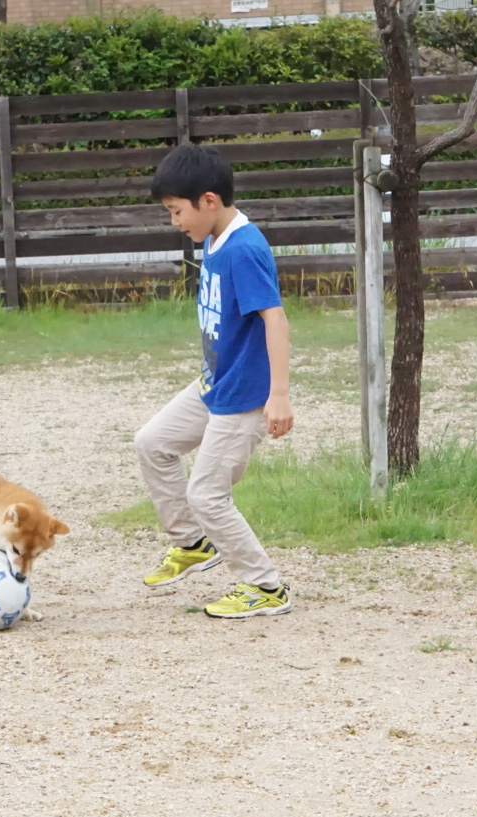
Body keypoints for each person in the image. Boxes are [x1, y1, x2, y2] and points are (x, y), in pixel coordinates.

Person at [134, 143, 294, 619]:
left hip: (242, 399)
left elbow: (276, 319)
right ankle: (194, 543)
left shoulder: (243, 250)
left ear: (208, 201)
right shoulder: (213, 239)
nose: (174, 222)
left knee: (207, 493)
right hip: (213, 385)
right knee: (152, 443)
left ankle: (265, 587)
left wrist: (279, 396)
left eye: (176, 211)